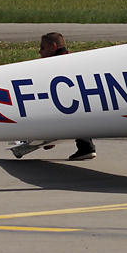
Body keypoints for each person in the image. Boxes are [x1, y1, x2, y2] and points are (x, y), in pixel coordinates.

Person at [39, 32, 97, 161]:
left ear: (53, 47)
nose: (39, 52)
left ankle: (85, 147)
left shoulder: (54, 65)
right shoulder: (74, 59)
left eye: (42, 47)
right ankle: (85, 146)